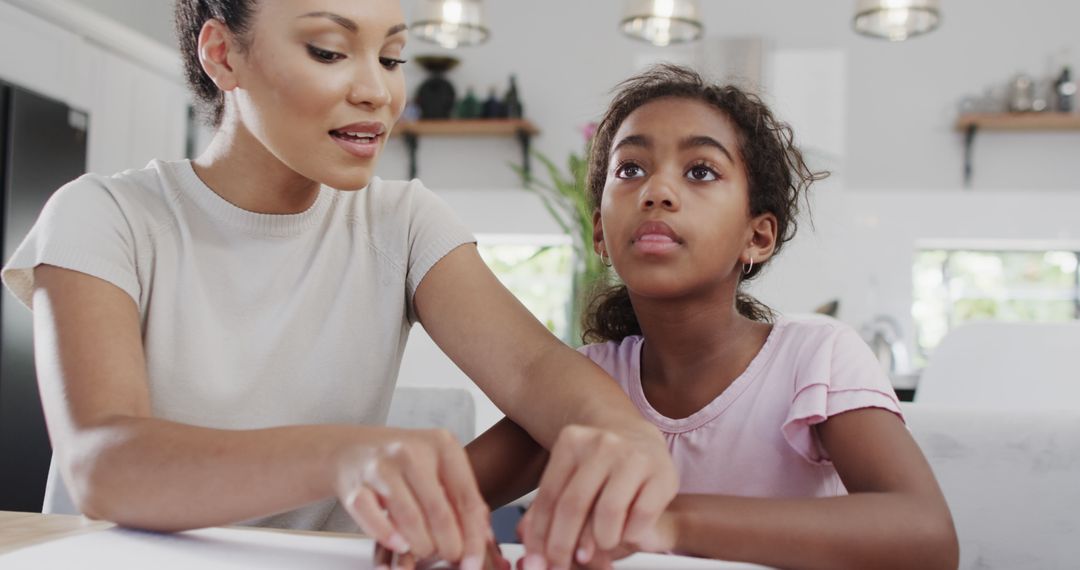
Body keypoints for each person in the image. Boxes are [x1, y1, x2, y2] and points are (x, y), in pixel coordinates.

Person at [0, 2, 680, 569]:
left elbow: (537, 371)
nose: (377, 92)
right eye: (329, 51)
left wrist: (626, 440)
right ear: (222, 54)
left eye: (390, 58)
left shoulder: (401, 221)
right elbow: (103, 463)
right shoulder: (103, 215)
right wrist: (349, 455)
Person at [470, 65, 959, 569]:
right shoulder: (583, 383)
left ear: (758, 237)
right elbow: (434, 498)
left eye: (700, 170)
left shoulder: (816, 357)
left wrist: (670, 522)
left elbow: (927, 538)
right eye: (630, 169)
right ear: (600, 233)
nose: (656, 191)